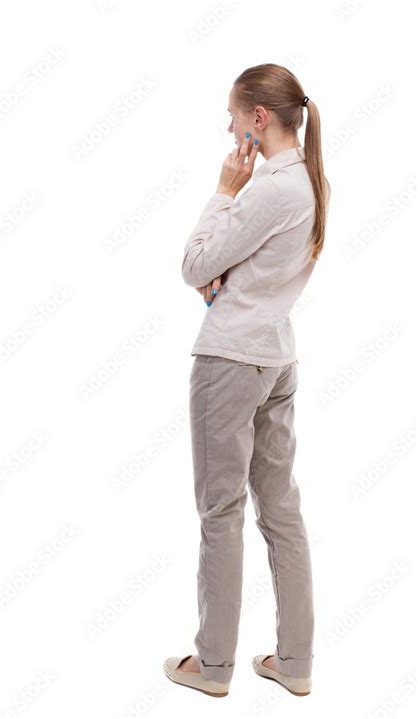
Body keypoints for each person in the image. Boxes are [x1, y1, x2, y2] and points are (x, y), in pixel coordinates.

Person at [163, 63, 331, 698]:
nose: (229, 127)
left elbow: (193, 264)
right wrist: (223, 282)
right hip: (275, 357)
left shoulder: (267, 188)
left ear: (259, 119)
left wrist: (223, 189)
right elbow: (245, 274)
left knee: (221, 511)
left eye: (233, 115)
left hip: (230, 361)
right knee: (281, 509)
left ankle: (212, 668)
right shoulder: (311, 184)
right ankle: (294, 662)